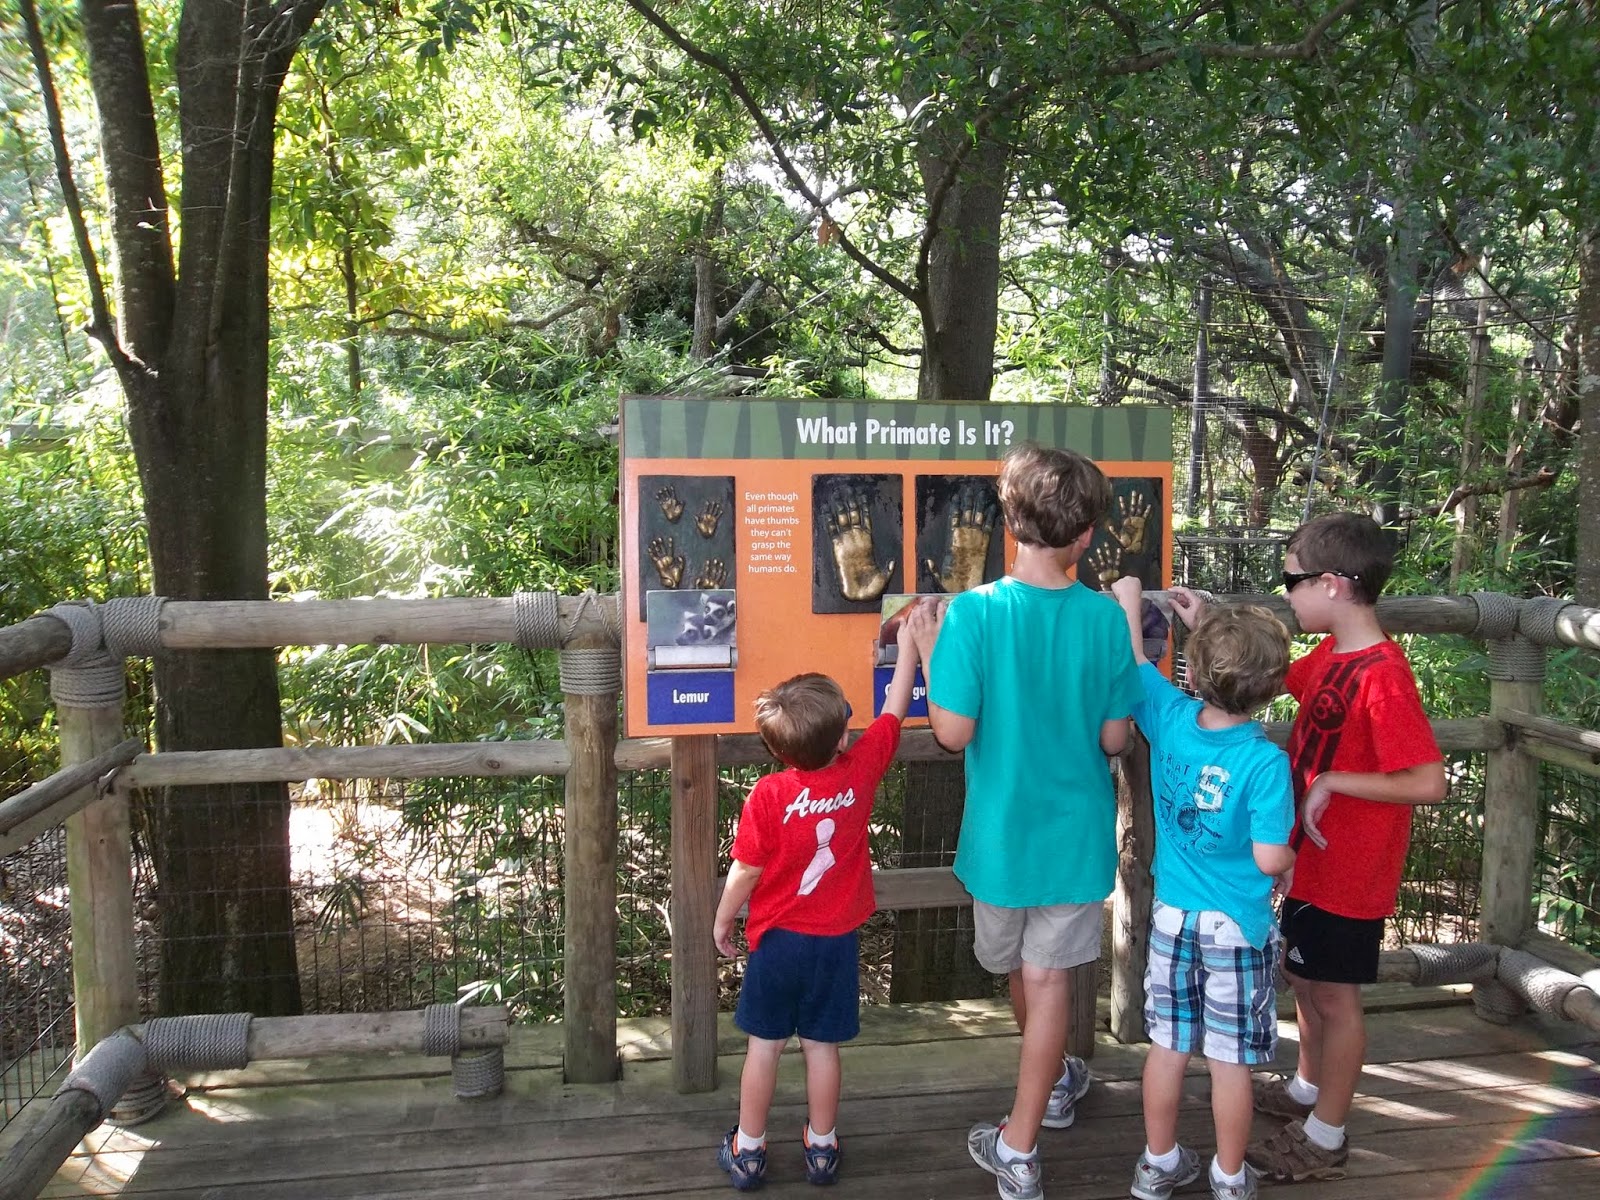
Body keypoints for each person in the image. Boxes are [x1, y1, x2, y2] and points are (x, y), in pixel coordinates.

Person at [1171, 514, 1446, 1183]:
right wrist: (1209, 623)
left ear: (1333, 584)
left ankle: (1326, 1135)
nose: (1285, 591)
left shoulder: (1383, 675)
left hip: (1351, 868)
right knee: (1306, 979)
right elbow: (1263, 677)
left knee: (1335, 998)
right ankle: (1305, 1089)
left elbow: (1428, 781)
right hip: (1310, 863)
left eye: (1291, 578)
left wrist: (1331, 782)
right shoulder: (1331, 658)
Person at [903, 444, 1142, 1200]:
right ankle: (1050, 1091)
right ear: (1086, 535)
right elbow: (1115, 739)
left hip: (1001, 843)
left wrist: (929, 649)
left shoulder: (974, 614)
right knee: (1043, 980)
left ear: (1009, 522)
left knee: (1027, 975)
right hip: (1074, 839)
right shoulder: (1105, 619)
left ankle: (1019, 1143)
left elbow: (952, 733)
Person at [712, 616, 920, 1190]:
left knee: (764, 1047)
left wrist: (724, 920)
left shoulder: (769, 794)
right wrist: (907, 646)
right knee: (822, 1048)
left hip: (777, 942)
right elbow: (894, 712)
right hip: (835, 942)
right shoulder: (862, 769)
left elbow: (745, 870)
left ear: (775, 747)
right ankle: (822, 1147)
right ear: (842, 739)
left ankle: (748, 1150)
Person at [1110, 576, 1295, 1200]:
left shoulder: (1170, 718)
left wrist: (1131, 602)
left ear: (1195, 670)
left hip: (1173, 918)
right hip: (1236, 926)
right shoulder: (1265, 762)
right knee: (1228, 1060)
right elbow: (1269, 857)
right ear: (1273, 687)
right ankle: (1229, 1175)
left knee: (1166, 1047)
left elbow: (1136, 663)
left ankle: (1158, 1161)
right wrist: (1289, 857)